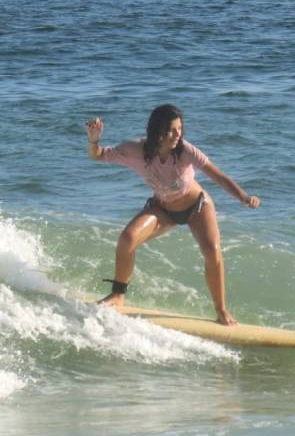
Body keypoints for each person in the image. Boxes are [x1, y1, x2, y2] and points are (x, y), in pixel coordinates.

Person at [85, 104, 261, 326]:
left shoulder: (186, 151)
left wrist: (244, 197)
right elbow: (98, 156)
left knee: (212, 250)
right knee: (127, 239)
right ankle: (118, 296)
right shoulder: (135, 150)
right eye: (172, 130)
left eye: (180, 129)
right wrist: (94, 140)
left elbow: (219, 176)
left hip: (197, 207)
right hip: (163, 209)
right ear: (157, 132)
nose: (178, 135)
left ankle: (221, 310)